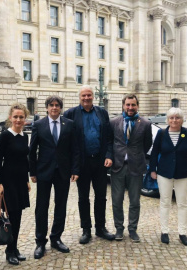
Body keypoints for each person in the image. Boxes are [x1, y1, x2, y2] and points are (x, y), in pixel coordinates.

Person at [29, 95, 79, 259]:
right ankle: (40, 241)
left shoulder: (69, 124)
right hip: (44, 171)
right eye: (51, 105)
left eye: (57, 105)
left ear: (60, 107)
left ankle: (56, 238)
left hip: (63, 172)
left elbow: (75, 149)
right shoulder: (38, 125)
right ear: (47, 107)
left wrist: (75, 169)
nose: (54, 108)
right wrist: (33, 172)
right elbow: (32, 150)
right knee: (41, 207)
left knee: (61, 206)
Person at [63, 85, 114, 244]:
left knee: (101, 197)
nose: (86, 98)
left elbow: (109, 138)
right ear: (80, 97)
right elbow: (66, 141)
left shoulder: (102, 113)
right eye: (84, 95)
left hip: (100, 161)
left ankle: (100, 228)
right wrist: (72, 165)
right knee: (83, 197)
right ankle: (86, 230)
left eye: (89, 95)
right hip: (82, 163)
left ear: (93, 96)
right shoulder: (71, 114)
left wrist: (109, 155)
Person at [150, 107, 187, 246]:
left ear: (182, 119)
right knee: (165, 202)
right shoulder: (162, 133)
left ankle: (182, 232)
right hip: (164, 173)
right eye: (171, 117)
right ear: (168, 120)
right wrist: (153, 170)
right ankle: (164, 231)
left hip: (183, 174)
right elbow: (154, 152)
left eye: (177, 117)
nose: (174, 120)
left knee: (182, 204)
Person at [110, 94, 152, 242]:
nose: (130, 108)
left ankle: (132, 229)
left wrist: (135, 155)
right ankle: (119, 228)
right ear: (123, 105)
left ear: (137, 106)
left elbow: (147, 145)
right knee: (117, 200)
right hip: (118, 167)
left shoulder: (145, 124)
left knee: (134, 201)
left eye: (133, 105)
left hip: (136, 167)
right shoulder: (114, 122)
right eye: (127, 105)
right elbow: (110, 142)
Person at [0, 103, 31, 265]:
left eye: (21, 117)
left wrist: (27, 180)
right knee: (11, 217)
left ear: (25, 119)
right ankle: (9, 251)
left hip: (20, 182)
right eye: (15, 116)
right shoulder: (4, 136)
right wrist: (0, 183)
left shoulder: (25, 136)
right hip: (8, 182)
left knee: (18, 216)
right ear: (10, 118)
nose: (18, 119)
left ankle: (14, 248)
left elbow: (25, 160)